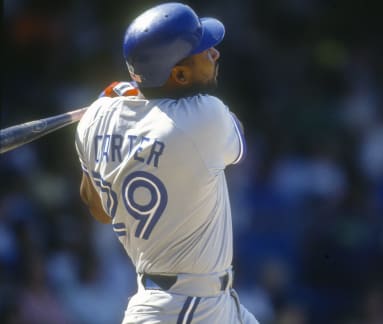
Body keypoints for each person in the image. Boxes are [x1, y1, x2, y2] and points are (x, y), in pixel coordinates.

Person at [74, 3, 258, 323]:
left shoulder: (94, 121)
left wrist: (107, 109)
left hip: (191, 303)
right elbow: (237, 134)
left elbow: (100, 210)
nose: (214, 54)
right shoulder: (205, 118)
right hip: (186, 308)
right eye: (202, 50)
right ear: (180, 74)